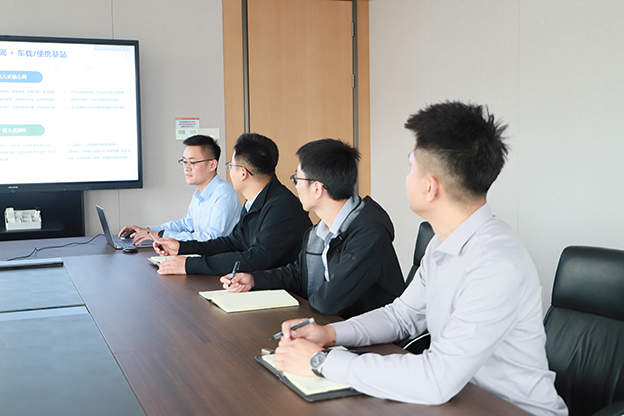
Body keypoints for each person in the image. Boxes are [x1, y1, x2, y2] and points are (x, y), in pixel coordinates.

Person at [271, 102, 568, 416]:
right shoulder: (443, 243)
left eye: (411, 167)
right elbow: (401, 316)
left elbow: (436, 379)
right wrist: (329, 334)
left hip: (512, 409)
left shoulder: (495, 263)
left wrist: (320, 362)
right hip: (462, 400)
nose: (407, 177)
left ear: (429, 187)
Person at [219, 139, 405, 318]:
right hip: (332, 325)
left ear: (317, 189)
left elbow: (329, 300)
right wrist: (254, 280)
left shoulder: (368, 234)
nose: (296, 187)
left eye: (297, 179)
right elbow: (300, 274)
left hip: (371, 334)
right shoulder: (320, 231)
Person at [155, 133, 312, 276]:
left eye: (230, 165)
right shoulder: (255, 201)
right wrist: (182, 247)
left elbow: (257, 259)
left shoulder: (282, 207)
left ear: (243, 173)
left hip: (287, 292)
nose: (229, 171)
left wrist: (190, 264)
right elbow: (233, 242)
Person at [118, 135, 240, 245]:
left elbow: (211, 238)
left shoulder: (224, 194)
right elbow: (186, 225)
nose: (186, 168)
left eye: (192, 162)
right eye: (184, 162)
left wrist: (161, 235)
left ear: (212, 165)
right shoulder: (199, 193)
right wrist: (149, 231)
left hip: (217, 259)